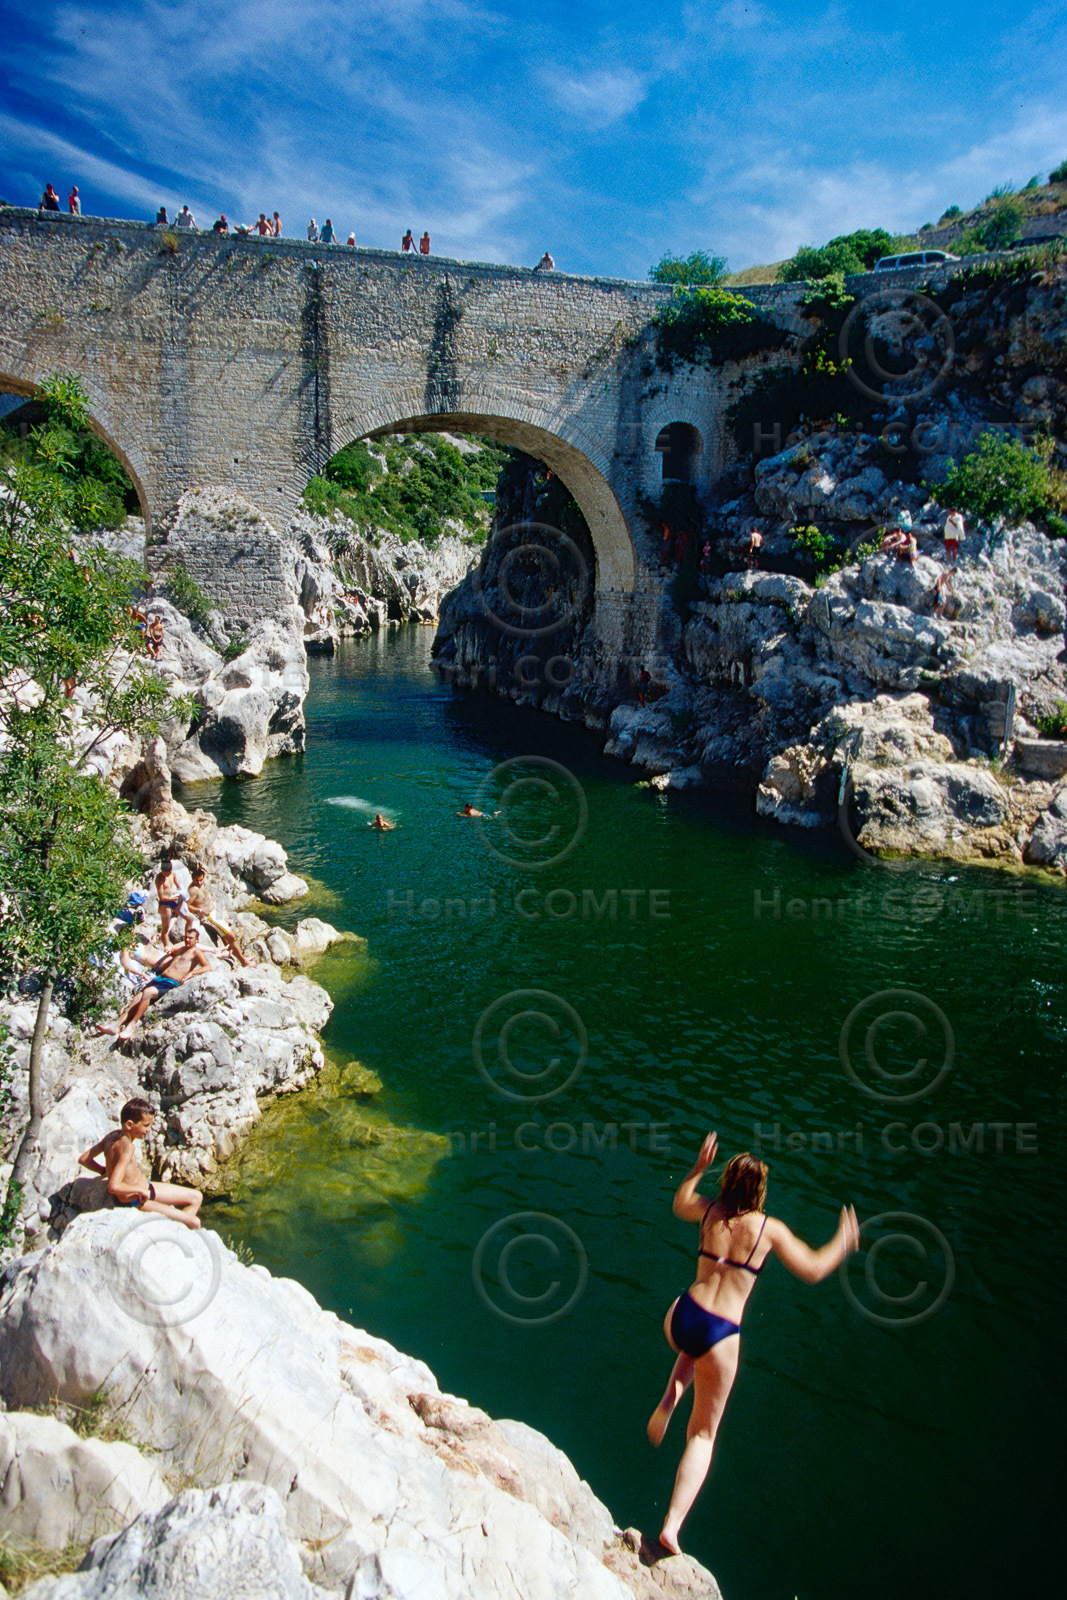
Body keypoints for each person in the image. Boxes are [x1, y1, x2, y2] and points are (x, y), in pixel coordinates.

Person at [648, 1134, 859, 1556]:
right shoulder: (769, 1230)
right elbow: (814, 1269)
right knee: (704, 1435)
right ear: (760, 1192)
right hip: (721, 1334)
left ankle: (673, 1391)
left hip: (682, 1318)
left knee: (692, 1343)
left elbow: (678, 1204)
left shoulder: (710, 1211)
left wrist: (696, 1168)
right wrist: (843, 1241)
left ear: (726, 1181)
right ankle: (671, 1527)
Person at [79, 1098, 202, 1228]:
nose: (149, 1129)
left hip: (146, 1187)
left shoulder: (112, 1136)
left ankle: (177, 1227)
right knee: (195, 1222)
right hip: (137, 1200)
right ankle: (177, 1232)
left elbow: (84, 1159)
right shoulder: (127, 1148)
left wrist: (104, 1171)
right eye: (146, 1125)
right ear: (129, 1125)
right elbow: (113, 1186)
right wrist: (139, 1190)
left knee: (196, 1197)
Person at [106, 924, 213, 1039]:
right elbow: (169, 952)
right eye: (186, 937)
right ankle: (116, 1024)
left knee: (148, 993)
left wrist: (191, 973)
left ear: (196, 940)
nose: (187, 940)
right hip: (160, 978)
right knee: (137, 998)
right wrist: (162, 946)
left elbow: (207, 967)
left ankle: (132, 1025)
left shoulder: (196, 952)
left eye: (190, 938)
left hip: (171, 983)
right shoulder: (182, 949)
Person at [185, 866, 250, 966]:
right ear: (192, 879)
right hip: (209, 917)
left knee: (226, 937)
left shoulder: (201, 885)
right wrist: (199, 910)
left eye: (201, 880)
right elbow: (187, 905)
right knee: (231, 936)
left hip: (214, 912)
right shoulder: (193, 890)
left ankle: (239, 957)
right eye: (197, 880)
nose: (199, 883)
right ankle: (243, 961)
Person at [154, 858, 186, 945]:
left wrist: (182, 893)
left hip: (174, 899)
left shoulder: (173, 875)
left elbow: (178, 886)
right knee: (165, 928)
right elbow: (161, 897)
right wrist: (173, 899)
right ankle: (166, 947)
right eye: (164, 873)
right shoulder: (160, 879)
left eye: (168, 873)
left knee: (189, 918)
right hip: (165, 903)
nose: (166, 875)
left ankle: (188, 941)